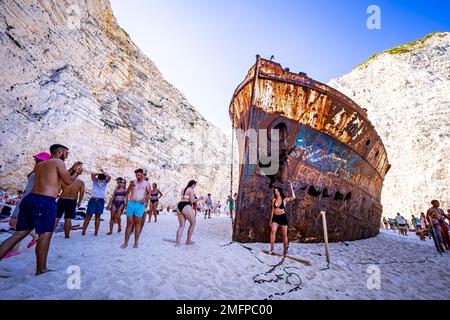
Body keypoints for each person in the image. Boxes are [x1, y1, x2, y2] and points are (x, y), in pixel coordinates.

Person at [0, 144, 82, 275]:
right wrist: (76, 173)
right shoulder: (58, 162)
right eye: (66, 153)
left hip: (30, 199)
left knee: (19, 234)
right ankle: (41, 269)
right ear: (59, 152)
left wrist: (72, 169)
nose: (67, 155)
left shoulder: (40, 165)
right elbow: (67, 181)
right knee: (45, 235)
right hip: (45, 201)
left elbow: (56, 181)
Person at [3, 152, 51, 259]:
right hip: (25, 200)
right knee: (17, 224)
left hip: (28, 201)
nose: (36, 161)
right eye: (36, 160)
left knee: (16, 223)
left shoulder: (42, 173)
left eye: (38, 160)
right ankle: (33, 237)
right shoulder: (37, 172)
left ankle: (16, 248)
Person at [121, 169, 150, 249]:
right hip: (131, 204)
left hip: (140, 205)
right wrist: (131, 186)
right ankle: (125, 243)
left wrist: (144, 199)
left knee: (138, 224)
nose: (138, 177)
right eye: (136, 175)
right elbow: (127, 193)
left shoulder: (147, 184)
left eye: (139, 175)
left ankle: (136, 243)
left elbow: (148, 194)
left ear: (143, 175)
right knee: (129, 223)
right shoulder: (133, 182)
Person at [82, 169, 111, 236]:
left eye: (101, 179)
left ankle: (95, 232)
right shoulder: (97, 181)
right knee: (90, 216)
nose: (100, 180)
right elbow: (92, 173)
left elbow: (109, 177)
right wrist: (100, 173)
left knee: (96, 217)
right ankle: (85, 231)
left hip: (98, 200)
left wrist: (103, 173)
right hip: (95, 200)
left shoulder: (102, 182)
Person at [269, 182, 295, 255]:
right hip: (275, 218)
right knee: (273, 231)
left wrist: (292, 188)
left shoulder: (285, 199)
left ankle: (285, 250)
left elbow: (293, 197)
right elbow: (272, 210)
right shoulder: (274, 200)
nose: (276, 192)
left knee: (284, 235)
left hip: (283, 217)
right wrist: (271, 219)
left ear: (280, 191)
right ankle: (272, 248)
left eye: (277, 191)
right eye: (275, 191)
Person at [176, 180, 200, 247]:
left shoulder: (183, 189)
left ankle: (177, 243)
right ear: (193, 184)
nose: (194, 187)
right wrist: (199, 199)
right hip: (186, 206)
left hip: (179, 205)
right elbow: (192, 201)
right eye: (195, 185)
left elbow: (184, 197)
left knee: (181, 226)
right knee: (193, 223)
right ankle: (188, 240)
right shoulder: (191, 189)